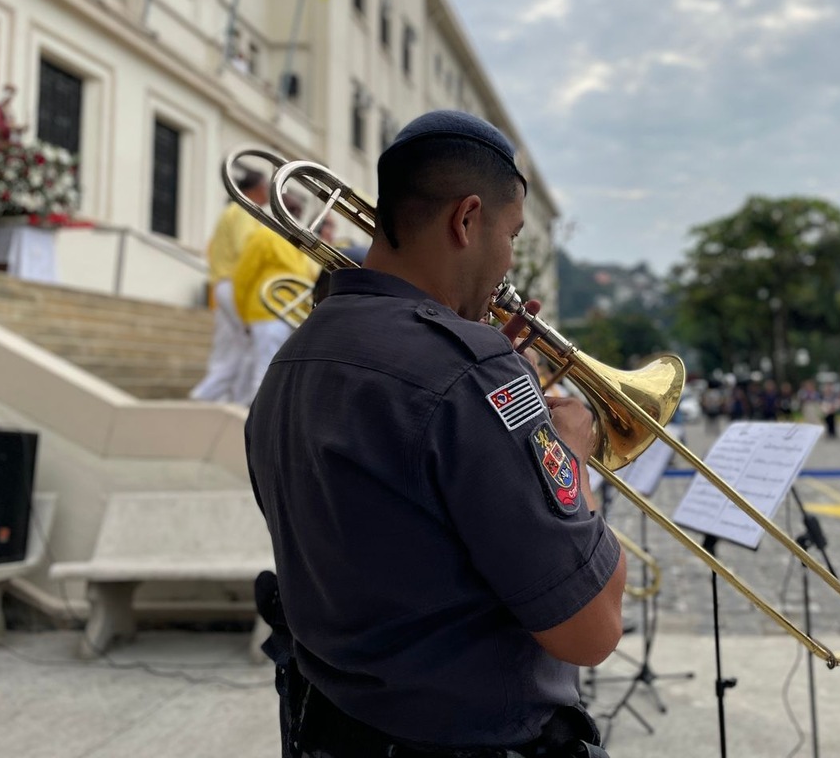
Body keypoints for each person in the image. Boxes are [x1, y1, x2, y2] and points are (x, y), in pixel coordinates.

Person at [246, 110, 625, 757]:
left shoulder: (294, 357)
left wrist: (486, 387)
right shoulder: (469, 370)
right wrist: (567, 454)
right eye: (511, 235)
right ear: (467, 219)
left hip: (331, 728)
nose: (508, 265)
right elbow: (592, 630)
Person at [189, 169, 267, 403]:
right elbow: (247, 249)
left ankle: (209, 397)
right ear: (255, 190)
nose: (268, 193)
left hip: (224, 285)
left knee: (230, 347)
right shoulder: (245, 211)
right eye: (265, 187)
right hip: (236, 285)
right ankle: (230, 400)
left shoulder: (232, 211)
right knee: (248, 344)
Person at [233, 192, 318, 404]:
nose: (298, 215)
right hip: (265, 312)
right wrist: (243, 316)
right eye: (294, 210)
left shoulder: (300, 241)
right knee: (264, 370)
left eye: (299, 211)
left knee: (269, 370)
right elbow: (242, 277)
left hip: (289, 316)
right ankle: (254, 417)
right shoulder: (263, 235)